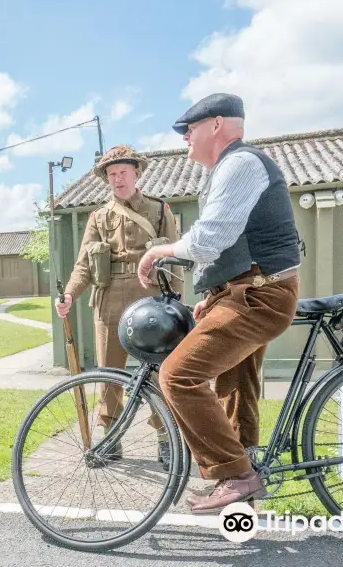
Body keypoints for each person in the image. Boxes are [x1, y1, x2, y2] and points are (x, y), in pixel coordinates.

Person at [136, 92, 302, 513]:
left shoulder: (241, 164)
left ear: (216, 125)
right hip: (249, 291)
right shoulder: (226, 169)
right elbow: (227, 249)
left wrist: (160, 250)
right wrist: (213, 296)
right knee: (233, 383)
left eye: (189, 129)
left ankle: (236, 474)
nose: (185, 139)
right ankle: (246, 470)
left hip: (259, 294)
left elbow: (211, 237)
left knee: (177, 375)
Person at [55, 144, 182, 466]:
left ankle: (165, 436)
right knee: (109, 374)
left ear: (136, 173)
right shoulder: (98, 217)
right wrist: (70, 293)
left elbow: (175, 258)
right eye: (112, 174)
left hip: (150, 300)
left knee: (156, 374)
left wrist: (173, 302)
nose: (117, 179)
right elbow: (84, 263)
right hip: (110, 302)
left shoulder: (160, 210)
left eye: (123, 172)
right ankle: (111, 437)